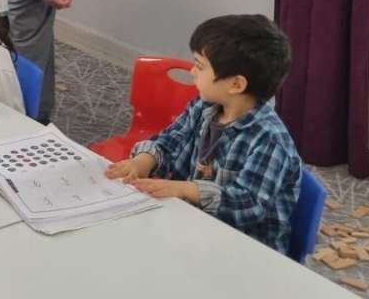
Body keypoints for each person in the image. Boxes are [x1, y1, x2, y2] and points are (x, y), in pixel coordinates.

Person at [105, 15, 302, 253]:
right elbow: (170, 141)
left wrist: (185, 189)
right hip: (192, 228)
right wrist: (143, 161)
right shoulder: (204, 105)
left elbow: (248, 206)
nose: (192, 72)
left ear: (236, 85)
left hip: (244, 251)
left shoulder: (270, 139)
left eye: (199, 66)